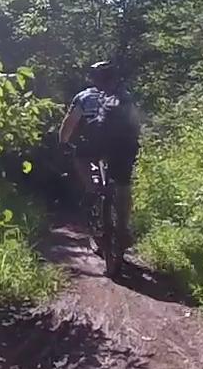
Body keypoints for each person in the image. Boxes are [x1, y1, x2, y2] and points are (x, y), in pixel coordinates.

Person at [58, 61, 141, 275]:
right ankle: (123, 225)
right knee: (123, 184)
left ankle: (93, 188)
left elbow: (68, 126)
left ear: (93, 78)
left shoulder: (84, 97)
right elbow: (136, 124)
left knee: (80, 157)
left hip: (94, 145)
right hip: (123, 147)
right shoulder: (126, 96)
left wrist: (64, 142)